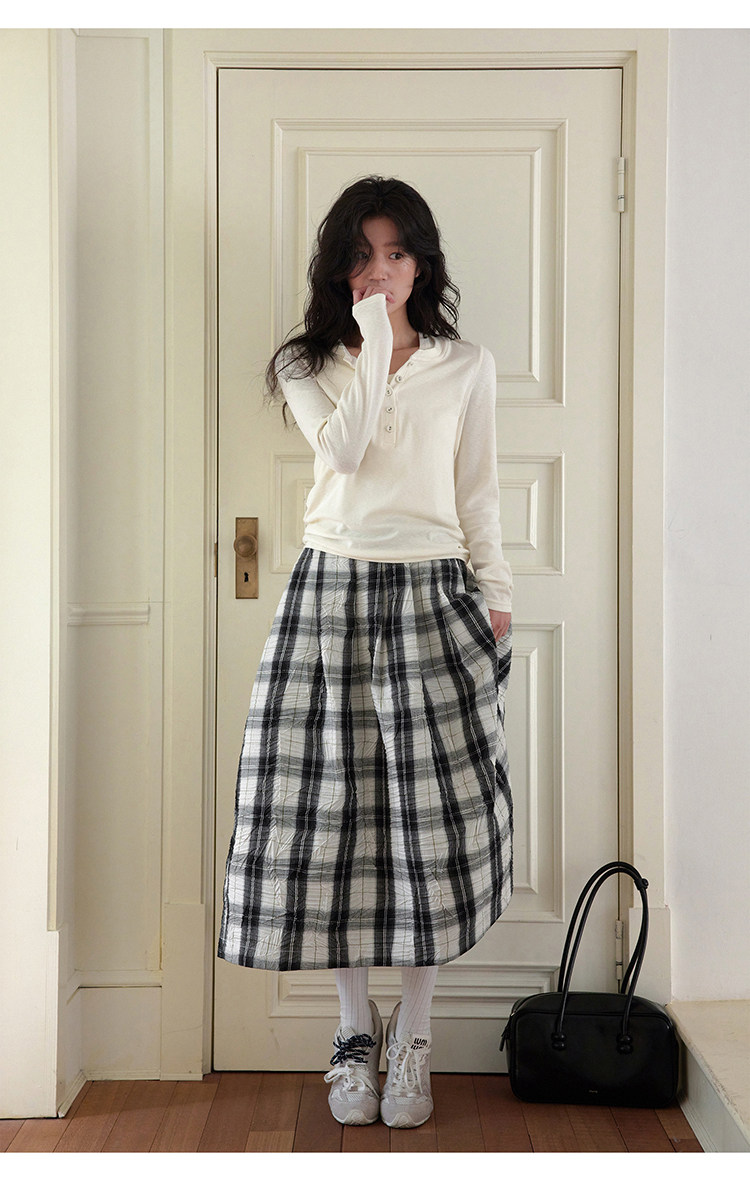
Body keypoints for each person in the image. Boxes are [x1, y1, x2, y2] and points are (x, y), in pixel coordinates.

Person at [218, 175, 513, 1130]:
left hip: (434, 593)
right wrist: (377, 342)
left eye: (395, 253)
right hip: (331, 592)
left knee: (430, 821)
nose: (379, 271)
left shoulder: (467, 367)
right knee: (327, 816)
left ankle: (414, 1034)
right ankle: (353, 1031)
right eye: (361, 255)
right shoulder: (307, 365)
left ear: (422, 263)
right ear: (339, 268)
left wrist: (498, 598)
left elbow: (478, 492)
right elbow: (343, 455)